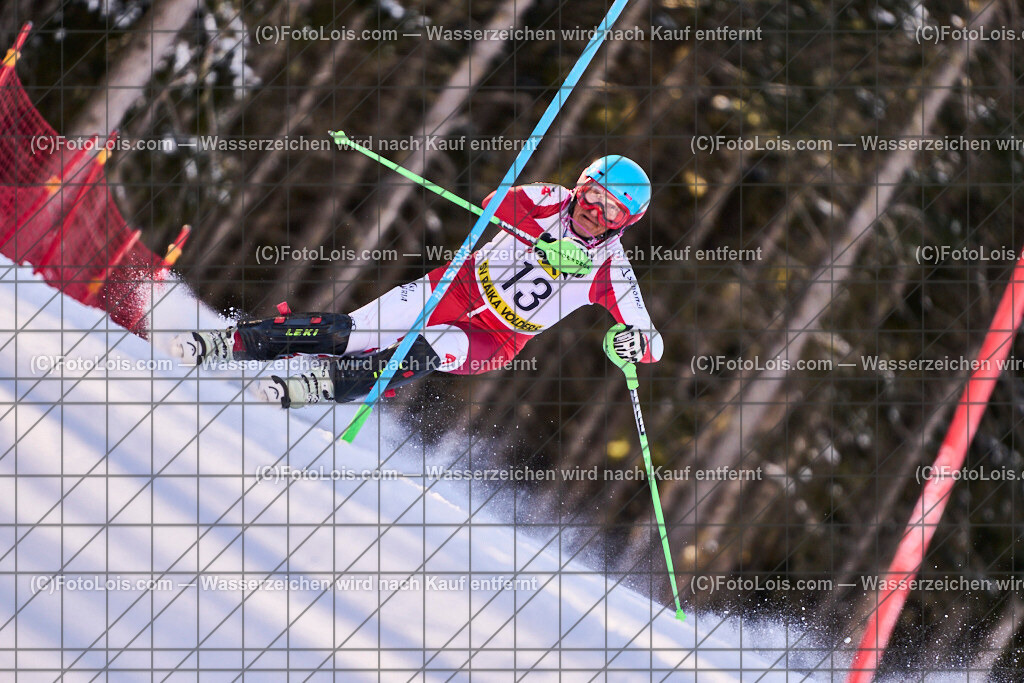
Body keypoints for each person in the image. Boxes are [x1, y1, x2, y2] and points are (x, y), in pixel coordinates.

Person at [173, 155, 664, 407]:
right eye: (593, 195)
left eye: (612, 208)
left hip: (492, 337)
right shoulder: (550, 200)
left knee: (422, 350)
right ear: (580, 187)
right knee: (347, 334)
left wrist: (629, 342)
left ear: (625, 221)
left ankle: (313, 386)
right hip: (450, 288)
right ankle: (231, 342)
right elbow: (495, 199)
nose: (595, 211)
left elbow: (651, 344)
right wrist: (536, 238)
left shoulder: (612, 270)